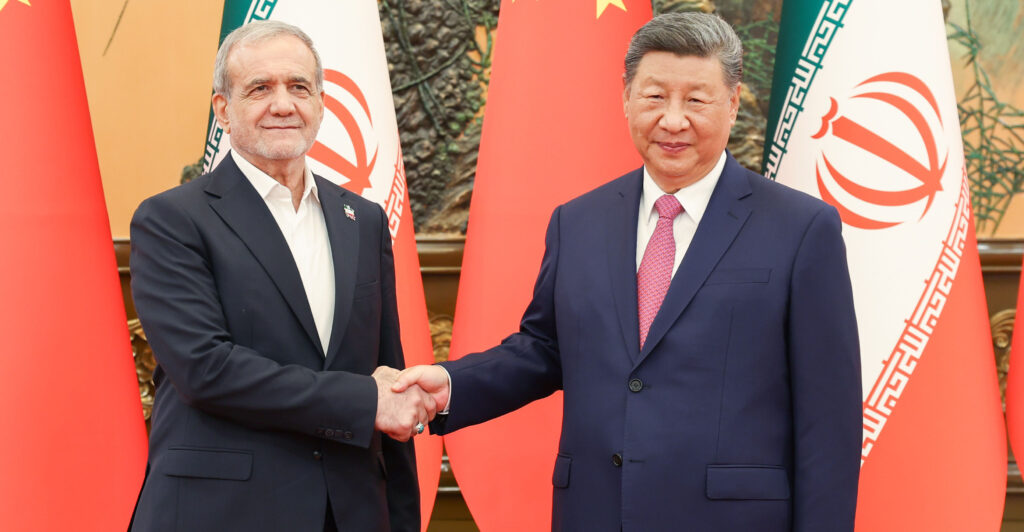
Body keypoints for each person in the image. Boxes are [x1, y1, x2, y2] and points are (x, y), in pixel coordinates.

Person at [393, 12, 862, 532]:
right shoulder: (577, 222)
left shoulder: (801, 228)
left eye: (697, 100)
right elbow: (545, 349)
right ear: (626, 97)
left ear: (732, 104)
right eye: (655, 96)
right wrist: (449, 385)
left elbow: (829, 422)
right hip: (595, 512)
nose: (673, 120)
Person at [129, 20, 432, 532]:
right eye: (260, 89)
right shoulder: (172, 220)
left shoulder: (362, 219)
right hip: (224, 514)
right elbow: (206, 370)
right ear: (223, 109)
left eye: (299, 87)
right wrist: (363, 400)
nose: (283, 105)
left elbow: (388, 374)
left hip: (351, 512)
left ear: (321, 103)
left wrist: (401, 519)